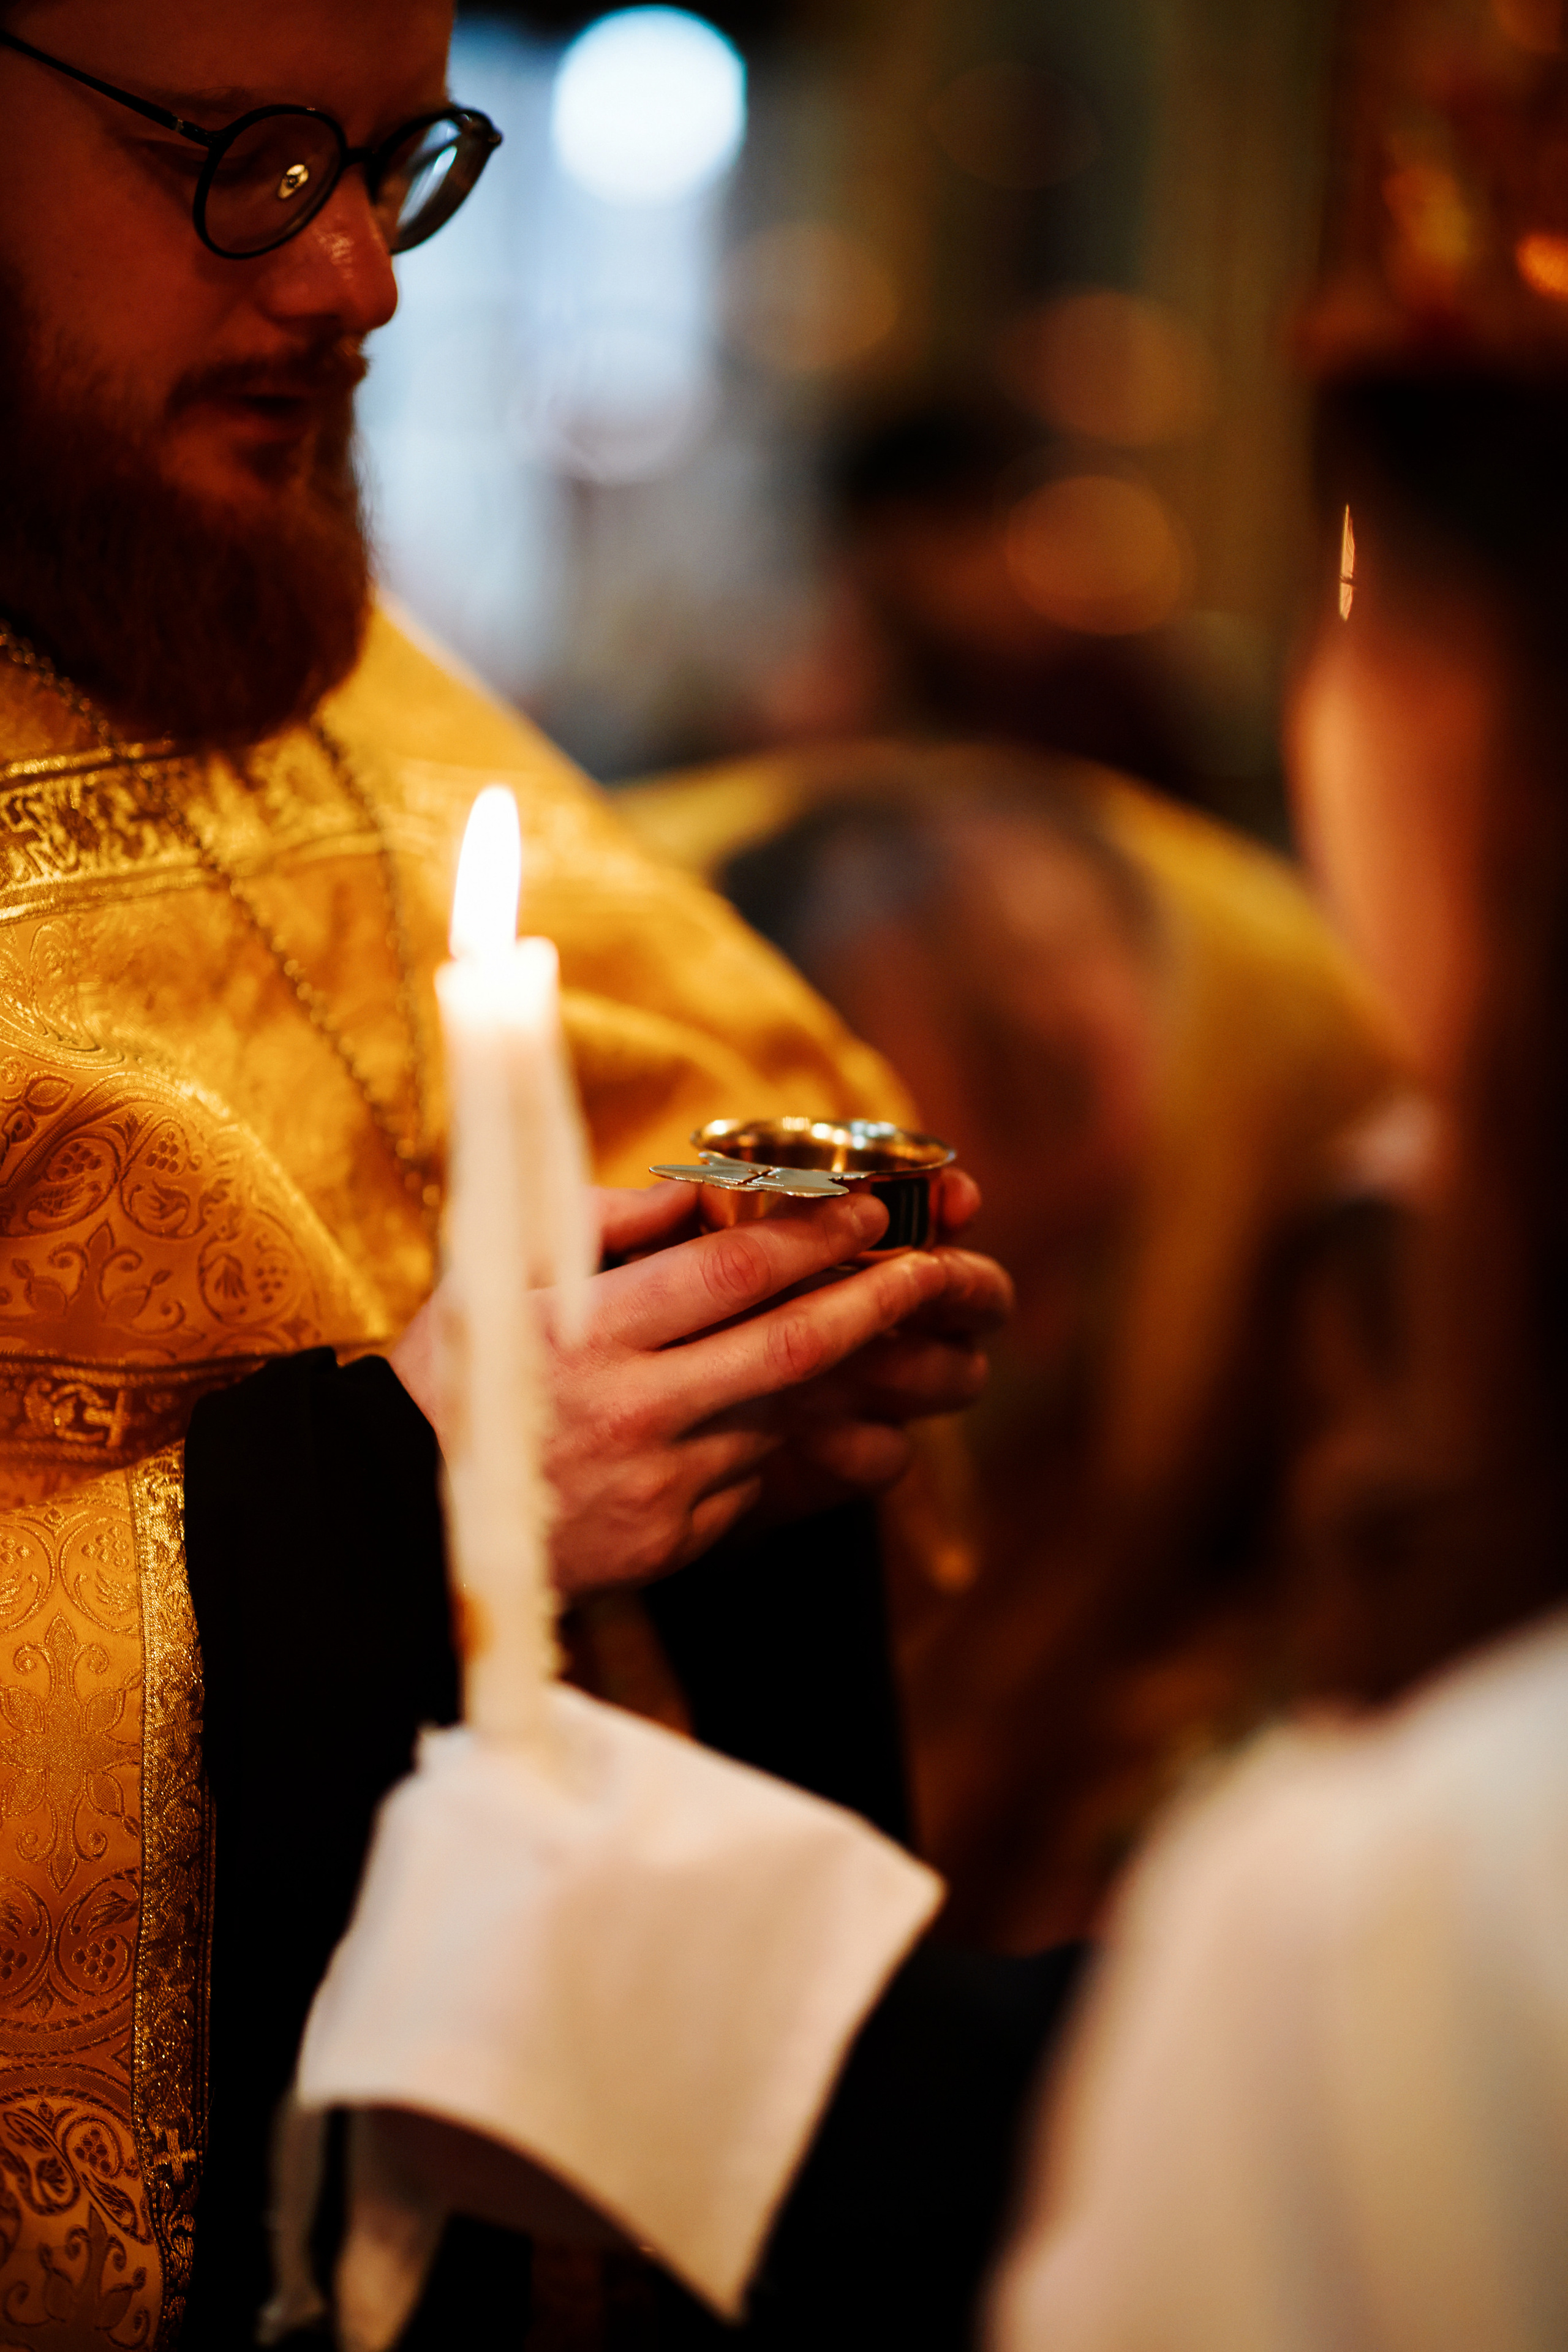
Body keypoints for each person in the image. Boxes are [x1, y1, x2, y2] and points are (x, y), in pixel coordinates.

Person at [0, 4, 1011, 2342]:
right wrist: (397, 1520)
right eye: (245, 157)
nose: (359, 276)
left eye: (392, 159)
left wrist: (773, 1393)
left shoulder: (259, 609)